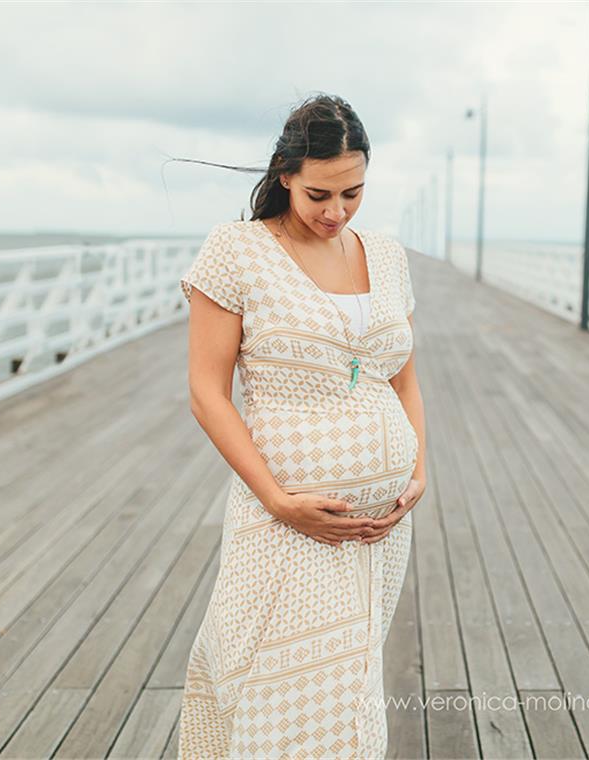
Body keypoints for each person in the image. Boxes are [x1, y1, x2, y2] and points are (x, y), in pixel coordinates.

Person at [174, 93, 427, 758]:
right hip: (286, 517)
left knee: (346, 687)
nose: (336, 211)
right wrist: (279, 500)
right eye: (319, 193)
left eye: (353, 192)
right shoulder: (237, 251)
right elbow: (207, 390)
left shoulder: (387, 255)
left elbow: (402, 376)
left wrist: (418, 467)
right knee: (271, 683)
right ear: (284, 172)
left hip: (380, 532)